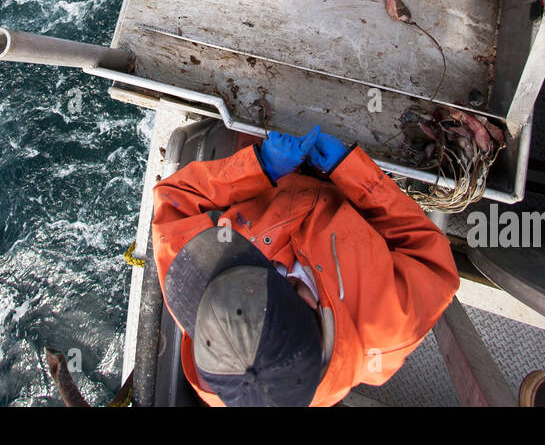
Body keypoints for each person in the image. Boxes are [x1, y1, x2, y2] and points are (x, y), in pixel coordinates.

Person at [150, 125, 458, 406]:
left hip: (266, 175)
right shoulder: (389, 329)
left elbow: (177, 201)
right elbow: (428, 254)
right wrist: (355, 173)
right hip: (361, 189)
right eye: (256, 270)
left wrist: (259, 167)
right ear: (308, 301)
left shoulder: (196, 290)